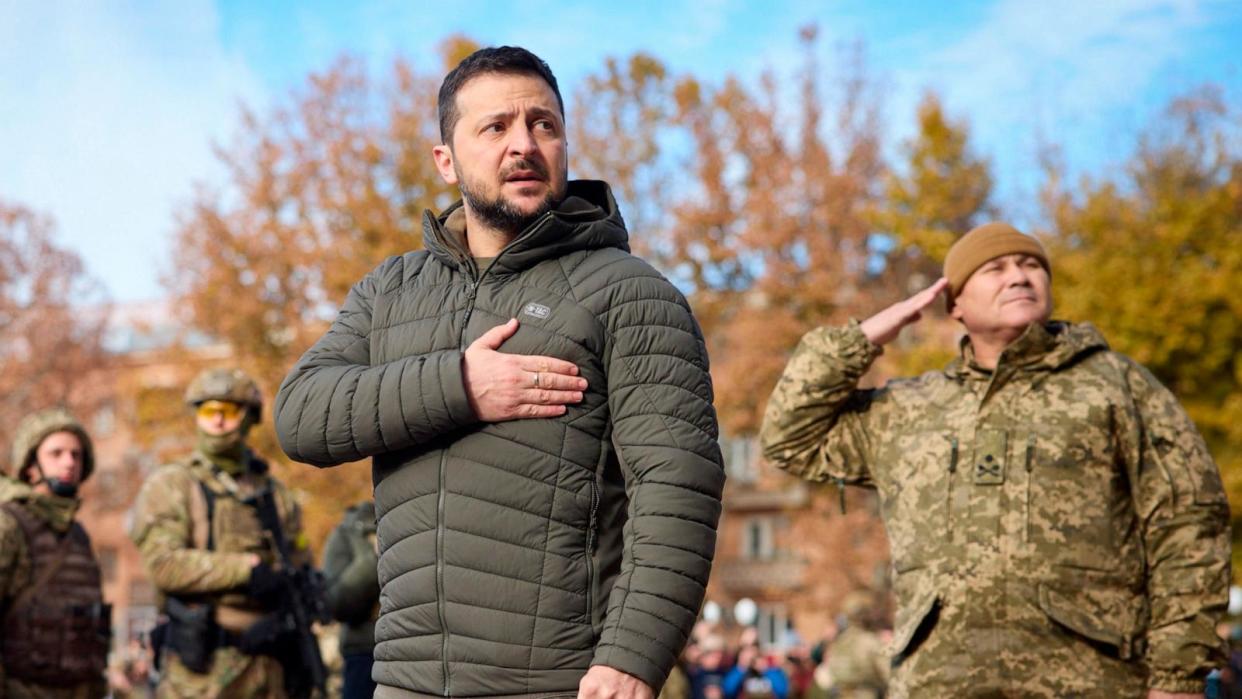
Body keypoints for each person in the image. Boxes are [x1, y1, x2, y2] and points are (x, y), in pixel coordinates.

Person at [274, 45, 725, 698]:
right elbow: (300, 415)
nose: (525, 144)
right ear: (446, 158)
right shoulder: (390, 290)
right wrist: (459, 385)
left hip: (561, 683)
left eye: (544, 124)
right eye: (496, 127)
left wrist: (632, 656)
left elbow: (678, 484)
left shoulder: (628, 291)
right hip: (404, 683)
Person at [761, 222, 1230, 698]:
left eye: (1031, 266)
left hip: (1091, 681)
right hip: (938, 684)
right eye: (996, 268)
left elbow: (1190, 521)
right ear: (956, 303)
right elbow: (787, 437)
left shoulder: (1114, 386)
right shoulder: (907, 410)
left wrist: (1178, 678)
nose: (1020, 277)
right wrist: (863, 337)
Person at [130, 368, 309, 699]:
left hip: (271, 666)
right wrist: (245, 569)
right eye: (208, 411)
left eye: (228, 411)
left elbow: (299, 567)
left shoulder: (275, 494)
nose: (217, 422)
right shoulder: (174, 483)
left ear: (248, 417)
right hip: (203, 673)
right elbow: (163, 566)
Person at [0, 408, 110, 698]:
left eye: (76, 455)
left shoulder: (78, 535)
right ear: (30, 464)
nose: (69, 462)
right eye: (56, 453)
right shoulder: (9, 525)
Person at [321, 500, 380, 699]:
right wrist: (373, 559)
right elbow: (336, 603)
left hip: (416, 652)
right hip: (363, 653)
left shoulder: (415, 519)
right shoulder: (345, 533)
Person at [822, 593, 887, 699]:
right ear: (865, 615)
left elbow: (831, 671)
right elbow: (887, 673)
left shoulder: (839, 641)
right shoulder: (870, 641)